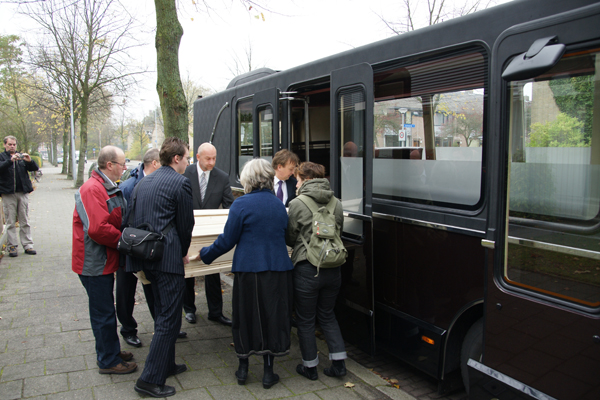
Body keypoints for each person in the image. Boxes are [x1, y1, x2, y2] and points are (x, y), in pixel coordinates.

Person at [197, 158, 293, 390]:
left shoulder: (241, 205)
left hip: (249, 269)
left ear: (248, 180)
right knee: (272, 317)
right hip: (278, 270)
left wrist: (205, 254)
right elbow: (288, 237)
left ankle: (243, 369)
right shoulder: (279, 205)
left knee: (244, 316)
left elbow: (227, 240)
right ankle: (269, 372)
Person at [126, 137, 194, 398]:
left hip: (144, 256)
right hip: (167, 259)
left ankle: (167, 364)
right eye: (187, 158)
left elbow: (130, 219)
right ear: (176, 159)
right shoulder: (180, 182)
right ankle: (149, 379)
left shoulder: (144, 182)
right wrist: (183, 251)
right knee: (169, 318)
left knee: (162, 313)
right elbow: (185, 224)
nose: (188, 162)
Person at [72, 145, 137, 375]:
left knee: (107, 310)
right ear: (109, 165)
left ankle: (111, 350)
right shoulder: (92, 189)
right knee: (103, 313)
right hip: (93, 263)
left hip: (103, 260)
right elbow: (98, 229)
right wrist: (126, 241)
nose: (125, 168)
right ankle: (108, 361)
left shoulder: (105, 187)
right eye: (122, 164)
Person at [116, 148, 187, 348]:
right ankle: (128, 329)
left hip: (152, 250)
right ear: (155, 164)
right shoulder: (131, 186)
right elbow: (125, 219)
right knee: (125, 292)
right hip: (132, 247)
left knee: (152, 290)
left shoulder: (155, 183)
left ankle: (163, 326)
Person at [286, 162, 347, 381]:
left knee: (305, 319)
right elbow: (339, 230)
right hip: (333, 267)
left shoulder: (297, 203)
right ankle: (339, 364)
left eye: (298, 180)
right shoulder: (337, 203)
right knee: (328, 314)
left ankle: (310, 367)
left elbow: (290, 237)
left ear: (306, 180)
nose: (295, 184)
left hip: (307, 269)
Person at [182, 142, 234, 326]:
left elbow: (229, 206)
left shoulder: (222, 177)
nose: (211, 162)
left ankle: (216, 311)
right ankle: (189, 309)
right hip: (188, 229)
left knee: (213, 271)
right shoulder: (184, 174)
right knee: (188, 272)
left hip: (210, 232)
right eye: (208, 159)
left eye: (214, 158)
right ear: (198, 157)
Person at [0, 135, 39, 257]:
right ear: (5, 145)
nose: (12, 146)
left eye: (14, 144)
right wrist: (10, 161)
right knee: (10, 221)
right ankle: (12, 247)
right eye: (9, 144)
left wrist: (29, 160)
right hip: (8, 193)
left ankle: (27, 245)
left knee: (24, 220)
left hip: (22, 193)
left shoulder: (21, 157)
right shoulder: (2, 157)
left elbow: (34, 168)